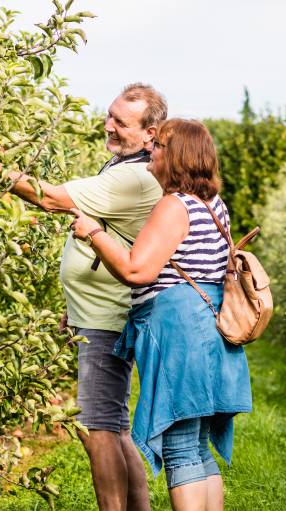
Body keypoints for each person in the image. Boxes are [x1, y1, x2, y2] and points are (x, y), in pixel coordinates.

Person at [0, 83, 167, 511]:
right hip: (100, 311)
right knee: (114, 426)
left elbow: (49, 198)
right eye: (110, 116)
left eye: (121, 122)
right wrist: (74, 303)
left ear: (151, 134)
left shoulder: (134, 177)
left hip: (109, 316)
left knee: (97, 428)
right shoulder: (127, 166)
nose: (109, 126)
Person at [70, 119, 253, 511]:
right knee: (197, 446)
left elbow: (138, 270)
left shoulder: (175, 205)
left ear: (177, 156)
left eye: (160, 146)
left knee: (179, 448)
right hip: (209, 330)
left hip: (181, 334)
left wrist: (93, 233)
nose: (151, 150)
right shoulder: (214, 205)